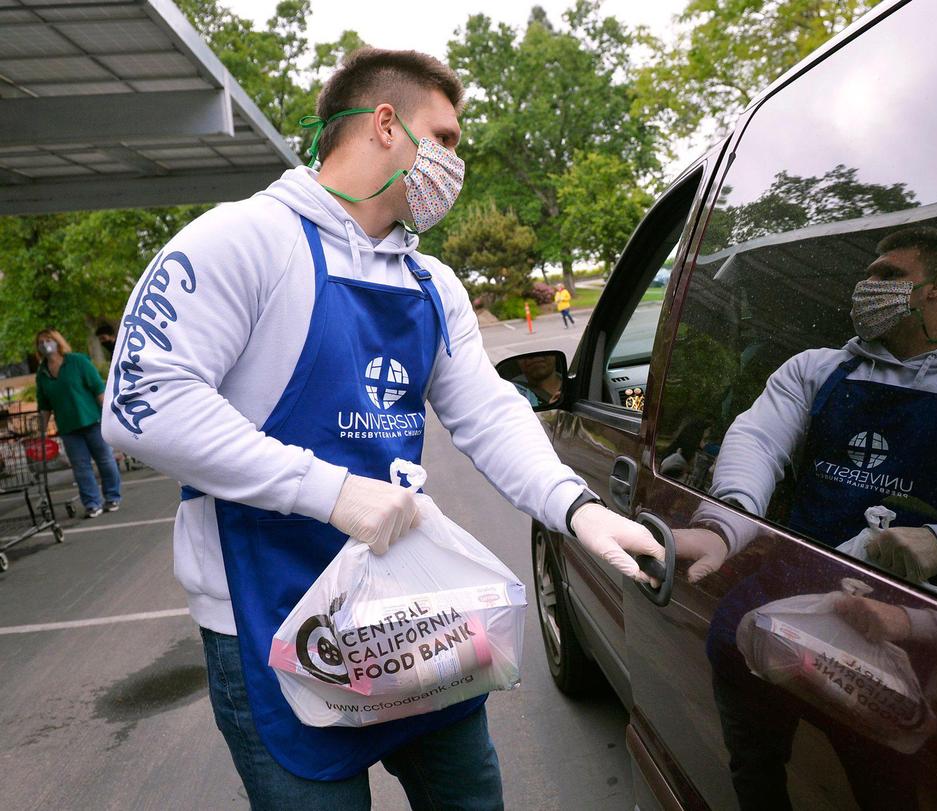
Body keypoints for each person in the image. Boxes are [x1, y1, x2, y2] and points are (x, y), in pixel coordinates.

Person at [102, 48, 662, 810]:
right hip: (270, 619)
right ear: (387, 124)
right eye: (449, 138)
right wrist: (331, 492)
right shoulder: (241, 241)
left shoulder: (433, 283)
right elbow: (143, 403)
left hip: (409, 610)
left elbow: (489, 411)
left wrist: (576, 507)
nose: (457, 164)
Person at [677, 226, 937, 603]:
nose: (867, 286)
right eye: (868, 275)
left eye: (888, 276)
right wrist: (724, 525)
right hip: (795, 592)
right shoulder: (814, 369)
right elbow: (758, 441)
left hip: (919, 628)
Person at [35, 329, 121, 518]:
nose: (45, 344)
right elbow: (44, 405)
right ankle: (92, 503)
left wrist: (110, 416)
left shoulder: (77, 361)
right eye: (41, 342)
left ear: (58, 342)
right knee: (81, 467)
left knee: (105, 460)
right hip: (68, 427)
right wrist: (40, 430)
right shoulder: (42, 373)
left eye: (48, 340)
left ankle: (112, 496)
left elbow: (98, 388)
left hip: (92, 420)